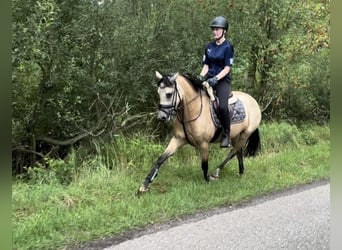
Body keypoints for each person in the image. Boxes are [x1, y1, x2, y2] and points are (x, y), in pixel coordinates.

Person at [198, 16, 234, 148]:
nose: (214, 31)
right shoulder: (209, 46)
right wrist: (200, 77)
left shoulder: (228, 47)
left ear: (224, 31)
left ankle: (227, 135)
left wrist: (216, 79)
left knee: (222, 107)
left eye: (217, 29)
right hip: (209, 81)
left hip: (221, 81)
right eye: (213, 29)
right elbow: (206, 66)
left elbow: (227, 68)